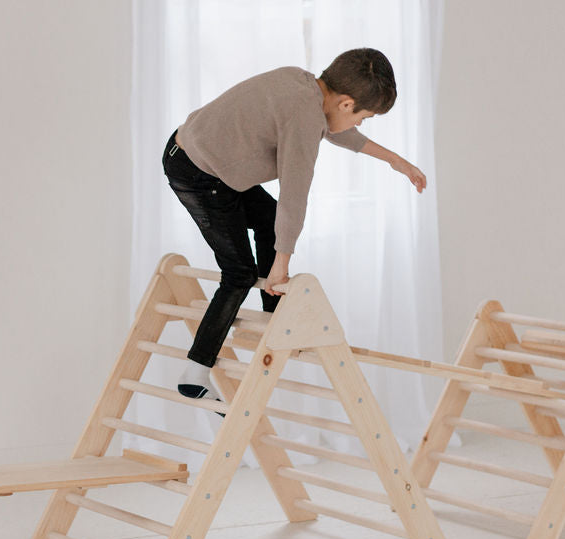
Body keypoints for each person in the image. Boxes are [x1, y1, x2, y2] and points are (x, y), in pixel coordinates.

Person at [163, 48, 426, 400]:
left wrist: (395, 160)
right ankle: (195, 372)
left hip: (203, 158)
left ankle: (274, 316)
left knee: (270, 222)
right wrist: (280, 267)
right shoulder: (305, 116)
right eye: (364, 117)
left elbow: (331, 128)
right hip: (199, 174)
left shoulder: (302, 84)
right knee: (239, 273)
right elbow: (295, 193)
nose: (359, 125)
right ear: (346, 103)